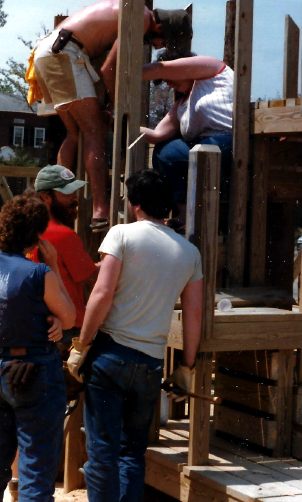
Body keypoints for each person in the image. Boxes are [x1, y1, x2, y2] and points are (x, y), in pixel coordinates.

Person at [68, 169, 203, 502]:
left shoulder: (122, 234)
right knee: (132, 453)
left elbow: (102, 294)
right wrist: (187, 366)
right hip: (151, 364)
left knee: (102, 453)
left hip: (110, 355)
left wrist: (80, 345)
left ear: (135, 203)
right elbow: (194, 315)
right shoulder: (189, 253)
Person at [32, 0, 192, 231]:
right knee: (94, 130)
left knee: (75, 134)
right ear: (162, 28)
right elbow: (109, 70)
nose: (160, 46)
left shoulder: (132, 13)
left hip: (50, 50)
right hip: (65, 53)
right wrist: (119, 109)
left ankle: (58, 204)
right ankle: (101, 212)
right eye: (164, 41)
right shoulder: (140, 18)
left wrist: (108, 104)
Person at [0, 192, 76, 502]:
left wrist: (49, 318)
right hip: (33, 369)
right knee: (36, 469)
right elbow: (69, 315)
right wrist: (53, 264)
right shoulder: (38, 273)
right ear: (36, 235)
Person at [141, 54, 233, 232]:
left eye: (169, 77)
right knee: (163, 151)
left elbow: (161, 67)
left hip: (229, 139)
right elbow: (157, 134)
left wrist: (125, 74)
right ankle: (184, 214)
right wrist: (119, 123)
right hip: (203, 148)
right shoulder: (182, 104)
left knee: (195, 150)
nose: (168, 83)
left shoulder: (212, 70)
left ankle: (199, 215)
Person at [30, 164, 99, 349]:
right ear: (46, 196)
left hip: (36, 327)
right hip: (67, 332)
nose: (75, 198)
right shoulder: (63, 235)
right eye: (67, 193)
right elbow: (94, 279)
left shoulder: (29, 232)